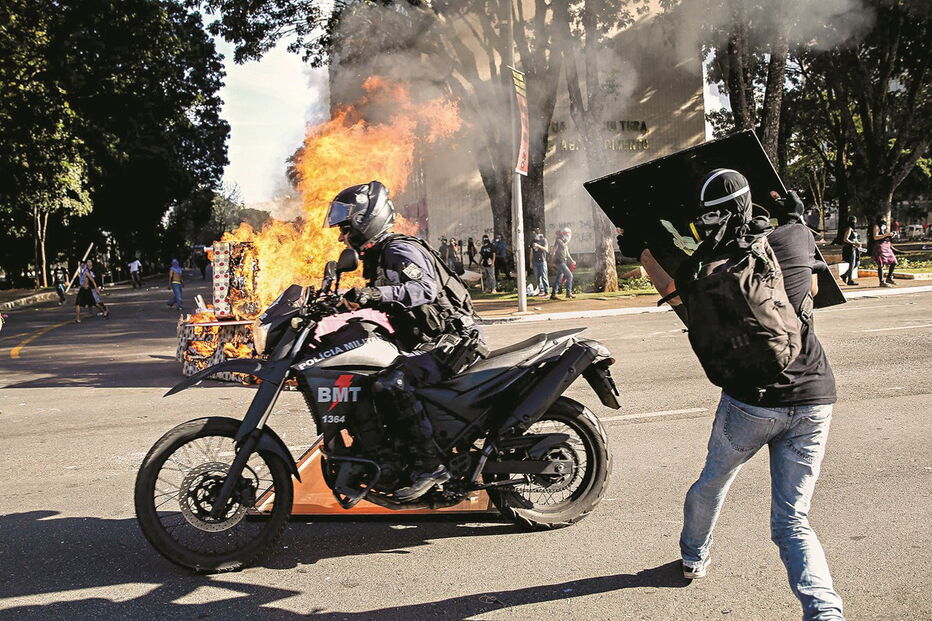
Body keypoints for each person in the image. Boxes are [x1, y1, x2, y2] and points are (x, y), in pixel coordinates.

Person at [620, 169, 844, 620]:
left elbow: (674, 297)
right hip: (813, 396)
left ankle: (693, 557)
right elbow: (815, 290)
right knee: (792, 520)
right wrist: (795, 218)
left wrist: (642, 250)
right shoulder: (793, 240)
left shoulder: (701, 270)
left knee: (712, 484)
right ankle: (824, 613)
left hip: (749, 403)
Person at [326, 180, 485, 501]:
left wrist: (371, 293)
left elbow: (422, 290)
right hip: (427, 342)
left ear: (364, 220)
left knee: (391, 384)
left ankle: (430, 465)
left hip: (451, 342)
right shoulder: (379, 255)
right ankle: (390, 454)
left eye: (345, 229)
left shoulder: (400, 249)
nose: (342, 237)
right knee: (365, 378)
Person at [870, 215, 897, 287]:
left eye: (885, 219)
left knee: (894, 262)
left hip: (886, 245)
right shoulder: (876, 226)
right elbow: (875, 237)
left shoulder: (884, 227)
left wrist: (891, 235)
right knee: (881, 264)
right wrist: (886, 235)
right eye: (883, 219)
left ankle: (889, 278)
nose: (884, 220)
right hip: (879, 246)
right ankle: (881, 281)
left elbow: (885, 235)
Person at [550, 228, 575, 299]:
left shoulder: (564, 242)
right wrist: (552, 261)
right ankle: (568, 293)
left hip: (563, 261)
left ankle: (553, 294)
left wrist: (571, 260)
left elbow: (567, 253)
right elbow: (554, 251)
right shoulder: (558, 241)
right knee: (569, 275)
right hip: (559, 261)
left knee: (559, 278)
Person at [840, 216, 861, 286]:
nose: (855, 222)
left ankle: (845, 275)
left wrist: (858, 243)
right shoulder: (849, 229)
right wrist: (854, 243)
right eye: (854, 221)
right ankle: (850, 280)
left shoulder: (853, 230)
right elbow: (845, 239)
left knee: (857, 263)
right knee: (852, 263)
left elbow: (855, 238)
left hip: (855, 248)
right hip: (850, 248)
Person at [530, 232, 550, 297]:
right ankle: (541, 290)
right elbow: (531, 252)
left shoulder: (543, 240)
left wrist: (538, 246)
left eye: (535, 234)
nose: (534, 235)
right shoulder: (532, 241)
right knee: (537, 277)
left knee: (544, 276)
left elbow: (546, 250)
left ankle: (546, 291)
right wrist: (530, 262)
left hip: (542, 261)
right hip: (535, 261)